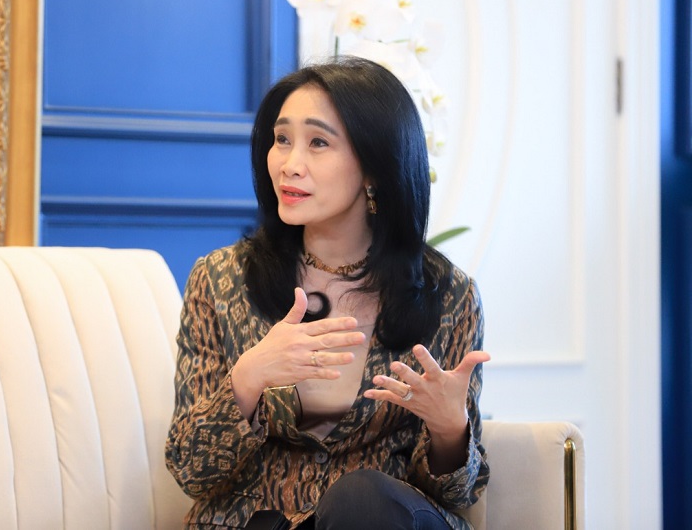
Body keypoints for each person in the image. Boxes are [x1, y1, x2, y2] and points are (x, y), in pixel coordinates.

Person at [165, 56, 490, 529]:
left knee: (363, 499)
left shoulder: (449, 295)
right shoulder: (220, 279)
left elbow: (457, 493)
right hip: (256, 520)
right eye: (282, 140)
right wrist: (249, 377)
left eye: (318, 142)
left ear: (375, 167)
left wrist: (449, 429)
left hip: (380, 522)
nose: (289, 164)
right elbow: (190, 471)